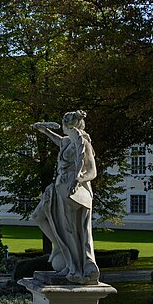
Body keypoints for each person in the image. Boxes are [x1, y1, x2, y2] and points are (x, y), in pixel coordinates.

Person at [31, 110, 100, 284]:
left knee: (71, 230)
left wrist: (78, 179)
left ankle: (75, 267)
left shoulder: (84, 144)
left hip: (72, 191)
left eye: (64, 125)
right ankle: (60, 247)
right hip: (59, 188)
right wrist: (45, 131)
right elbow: (58, 141)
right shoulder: (68, 141)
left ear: (71, 126)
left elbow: (92, 171)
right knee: (40, 217)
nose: (62, 127)